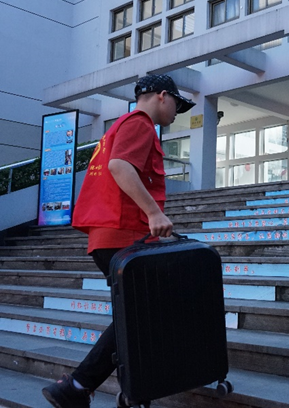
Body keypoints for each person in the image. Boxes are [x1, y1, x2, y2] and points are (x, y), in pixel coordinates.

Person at [41, 74, 196, 408]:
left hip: (111, 234)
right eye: (177, 105)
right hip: (125, 234)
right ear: (162, 96)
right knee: (141, 313)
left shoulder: (120, 126)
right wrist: (154, 213)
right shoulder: (139, 124)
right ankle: (80, 386)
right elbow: (120, 166)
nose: (177, 113)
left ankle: (124, 392)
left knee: (139, 314)